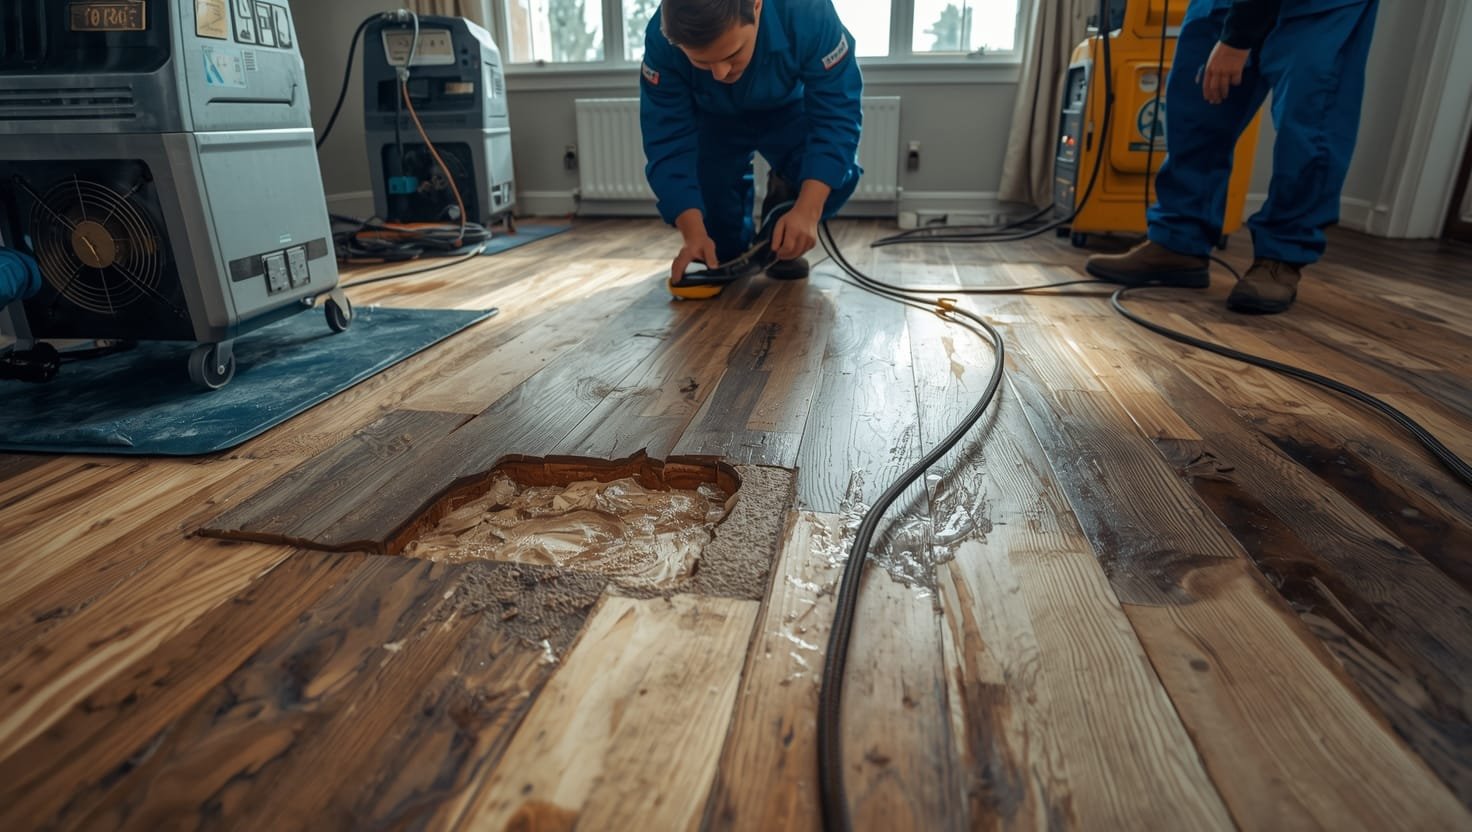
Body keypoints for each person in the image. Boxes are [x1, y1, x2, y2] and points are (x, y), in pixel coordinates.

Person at [1086, 0, 1379, 314]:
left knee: (1311, 122)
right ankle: (1178, 243)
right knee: (1196, 112)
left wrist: (1236, 40)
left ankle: (1281, 256)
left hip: (1322, 8)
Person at [640, 0, 863, 288]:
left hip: (787, 112)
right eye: (702, 62)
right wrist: (694, 235)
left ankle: (782, 214)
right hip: (714, 119)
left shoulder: (807, 10)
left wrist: (806, 211)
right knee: (720, 245)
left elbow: (837, 117)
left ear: (756, 5)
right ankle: (730, 242)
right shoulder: (661, 38)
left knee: (834, 181)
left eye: (732, 54)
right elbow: (667, 140)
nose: (720, 74)